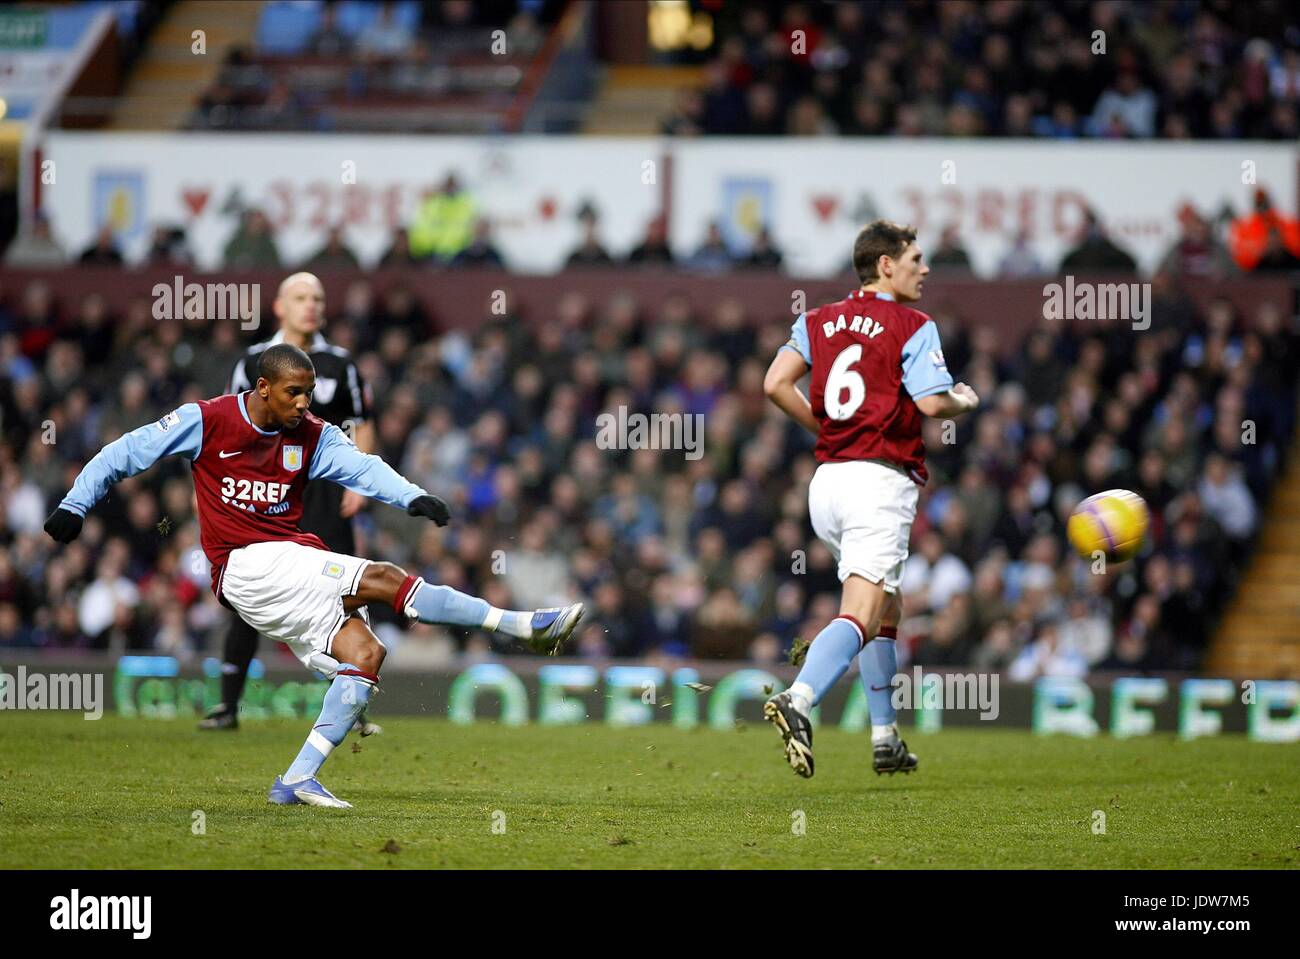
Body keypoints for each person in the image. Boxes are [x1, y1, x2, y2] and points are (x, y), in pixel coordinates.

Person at [44, 342, 584, 808]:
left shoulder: (313, 435)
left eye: (310, 393)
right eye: (294, 393)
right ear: (262, 388)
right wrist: (75, 503)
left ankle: (298, 778)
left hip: (285, 563)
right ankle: (521, 627)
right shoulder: (207, 420)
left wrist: (412, 495)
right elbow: (123, 453)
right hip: (242, 565)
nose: (304, 404)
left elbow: (364, 468)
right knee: (385, 578)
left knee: (367, 655)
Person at [761, 219, 980, 778]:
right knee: (860, 610)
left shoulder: (818, 318)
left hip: (828, 483)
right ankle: (799, 698)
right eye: (916, 259)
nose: (924, 269)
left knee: (888, 603)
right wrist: (964, 399)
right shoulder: (914, 324)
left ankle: (885, 736)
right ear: (886, 264)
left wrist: (829, 430)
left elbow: (774, 384)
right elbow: (931, 406)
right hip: (877, 483)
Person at [199, 272, 372, 733]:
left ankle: (353, 701)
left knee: (342, 593)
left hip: (325, 494)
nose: (311, 305)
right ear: (280, 306)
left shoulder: (341, 364)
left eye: (317, 297)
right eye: (300, 297)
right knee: (249, 595)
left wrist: (360, 481)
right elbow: (228, 422)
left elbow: (361, 423)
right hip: (265, 491)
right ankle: (228, 705)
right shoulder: (253, 361)